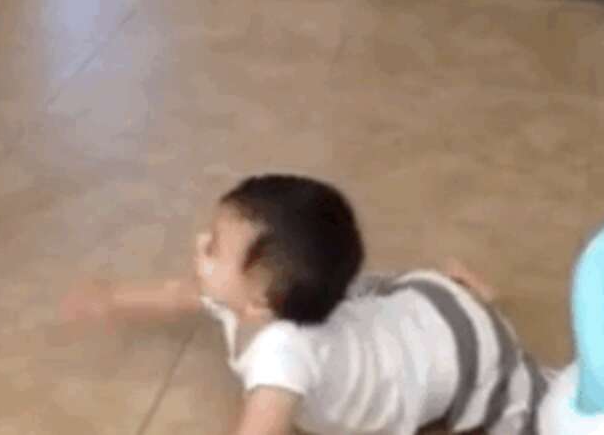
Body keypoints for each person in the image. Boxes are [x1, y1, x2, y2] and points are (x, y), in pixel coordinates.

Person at [62, 174, 551, 435]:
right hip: (416, 307)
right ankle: (460, 290)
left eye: (213, 248)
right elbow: (177, 293)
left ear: (259, 300)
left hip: (456, 354)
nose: (199, 242)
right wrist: (110, 300)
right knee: (376, 300)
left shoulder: (283, 354)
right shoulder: (249, 300)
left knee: (529, 413)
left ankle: (474, 301)